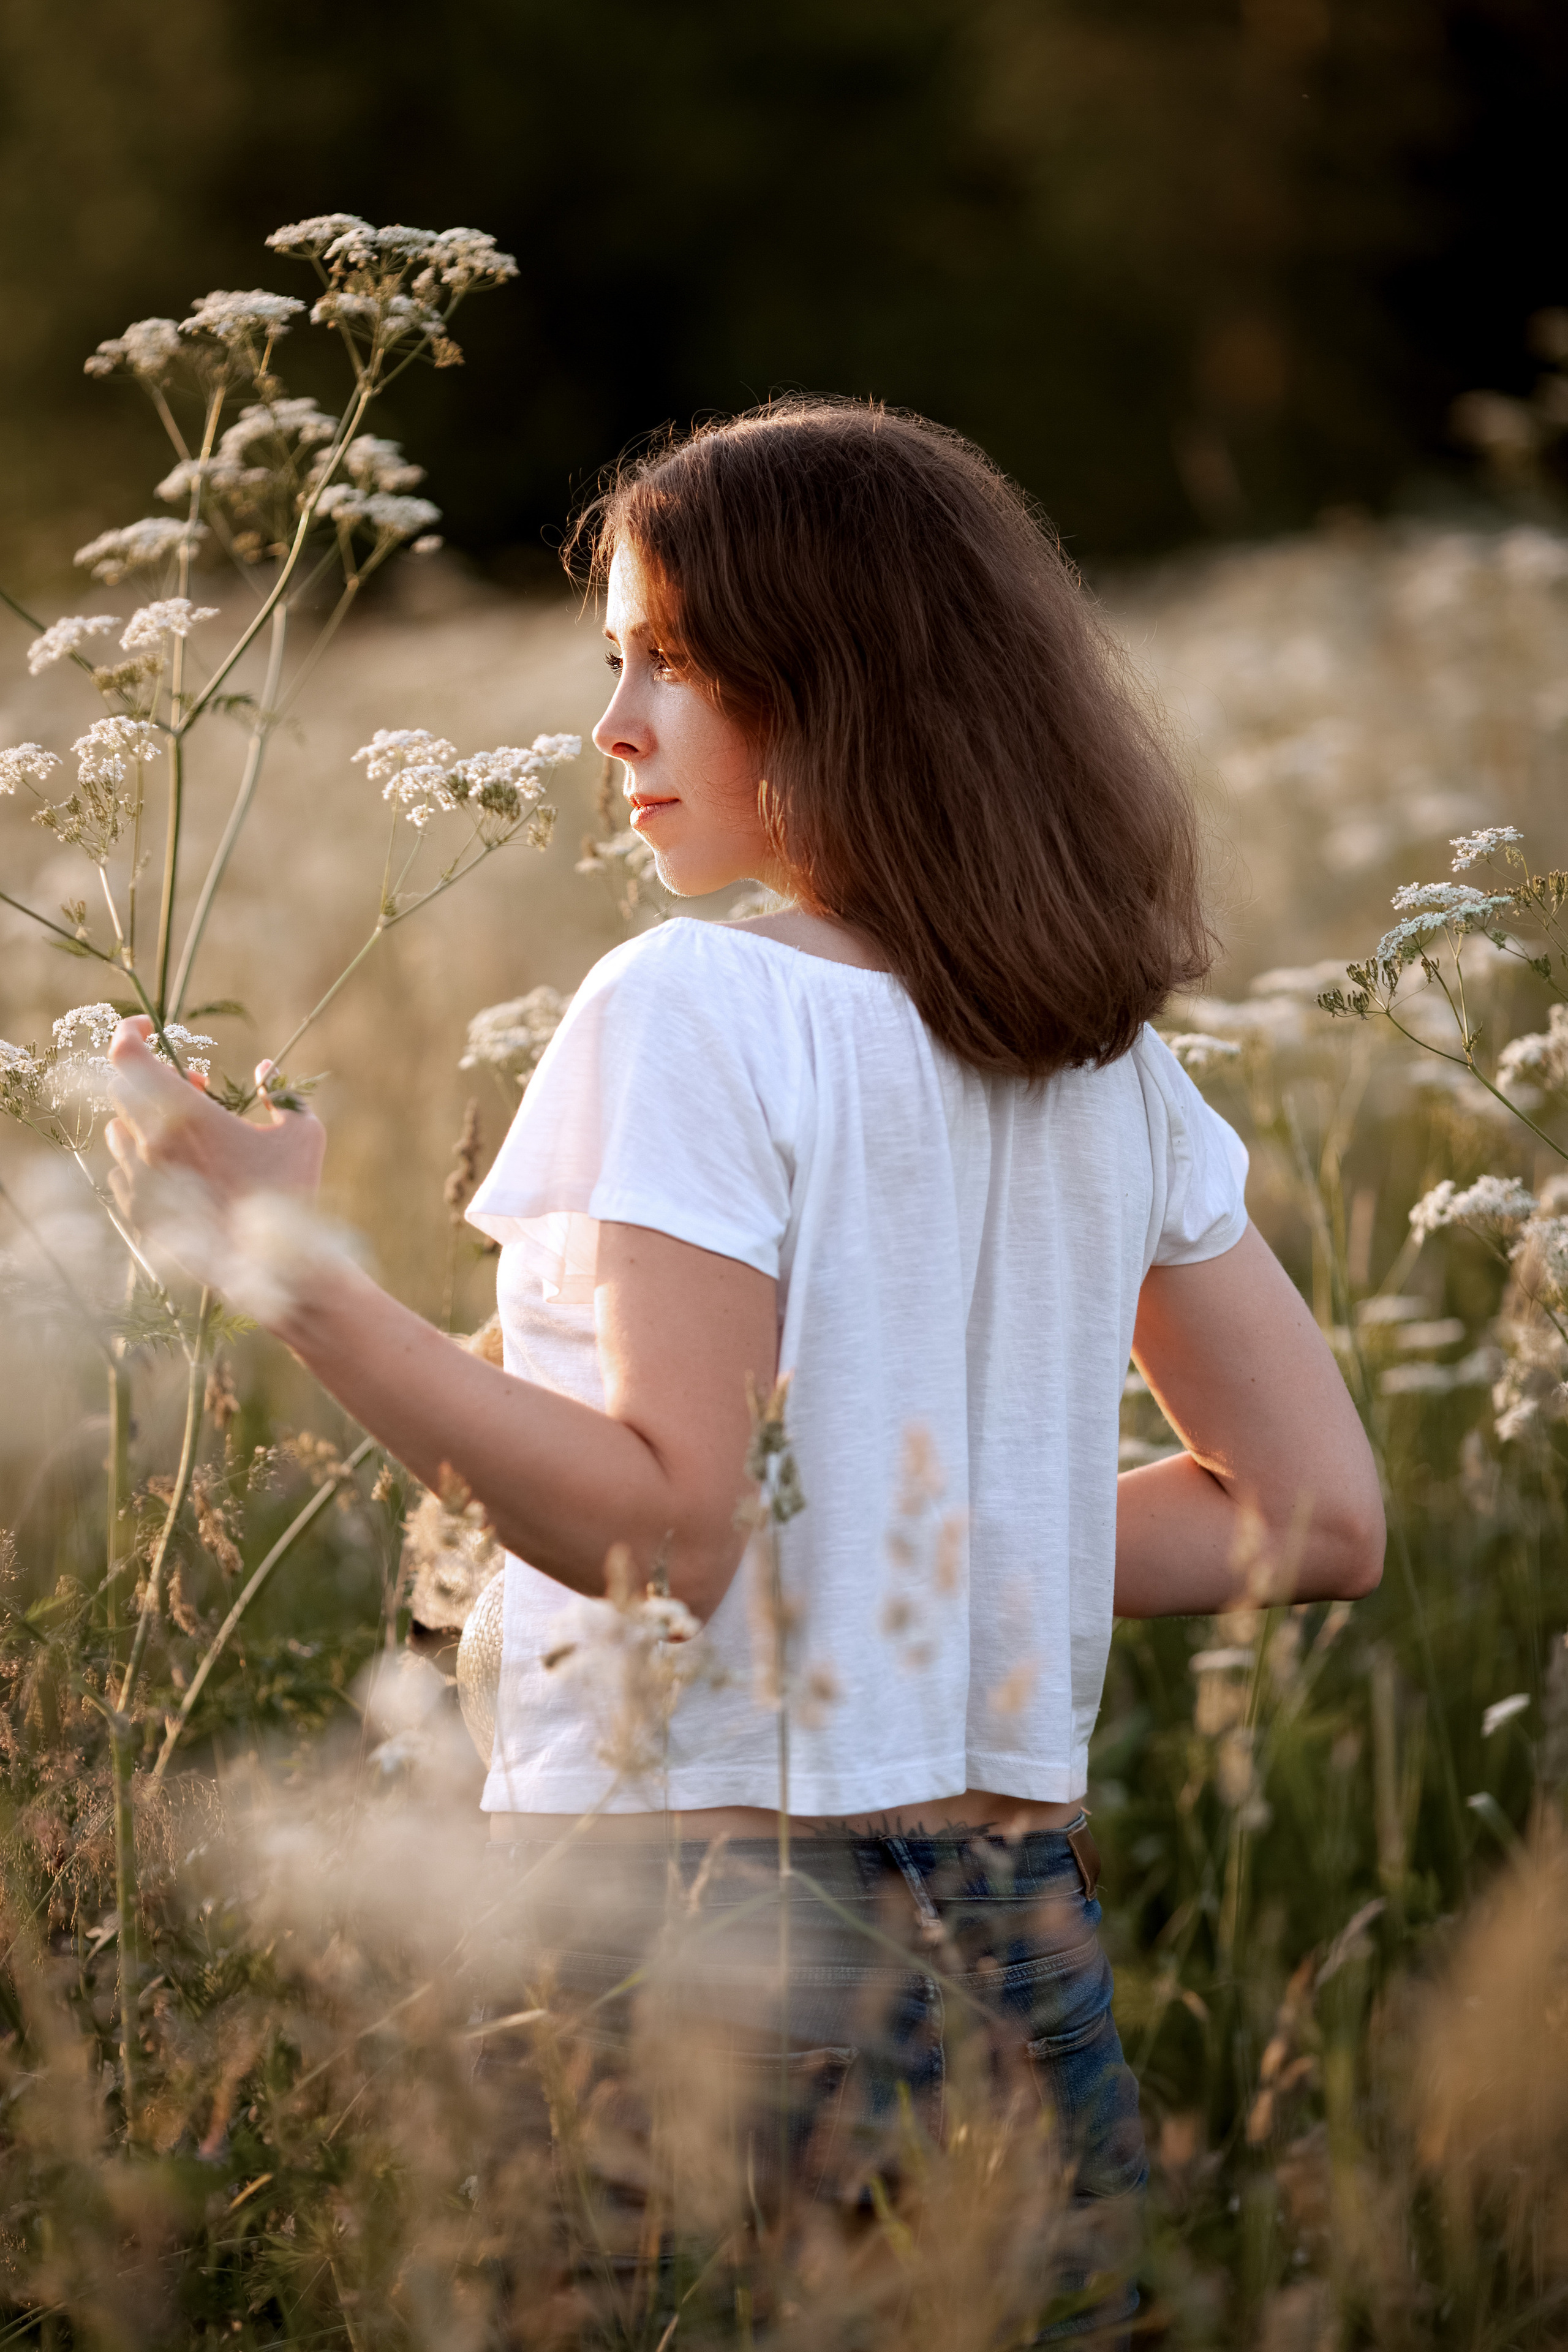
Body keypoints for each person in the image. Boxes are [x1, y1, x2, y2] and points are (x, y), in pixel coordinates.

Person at [107, 399, 1384, 2334]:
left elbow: (667, 1532)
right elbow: (1316, 1517)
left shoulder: (694, 1000)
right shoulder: (1104, 1061)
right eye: (612, 662)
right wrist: (902, 1525)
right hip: (1025, 1946)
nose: (612, 729)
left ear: (841, 684)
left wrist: (285, 1268)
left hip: (716, 1952)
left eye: (672, 665)